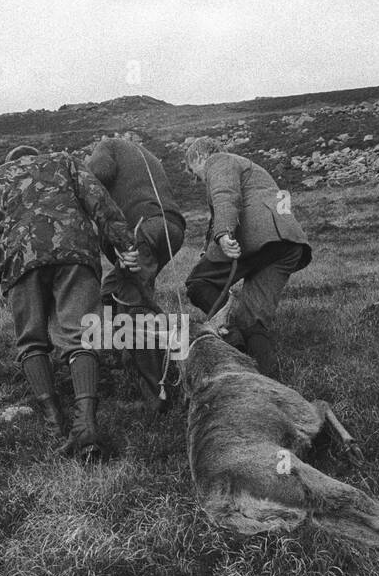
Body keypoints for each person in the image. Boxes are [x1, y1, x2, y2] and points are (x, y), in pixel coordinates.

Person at [0, 145, 138, 459]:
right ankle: (86, 424)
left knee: (31, 341)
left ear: (11, 163)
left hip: (20, 261)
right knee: (80, 336)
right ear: (36, 155)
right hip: (74, 254)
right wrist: (125, 243)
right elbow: (99, 199)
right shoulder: (65, 161)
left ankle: (53, 421)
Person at [182, 136, 311, 378]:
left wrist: (223, 233)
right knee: (252, 317)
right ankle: (268, 379)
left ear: (199, 157)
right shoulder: (249, 166)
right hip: (287, 244)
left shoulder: (218, 161)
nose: (196, 178)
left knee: (198, 283)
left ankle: (232, 342)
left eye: (193, 171)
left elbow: (225, 194)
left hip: (257, 237)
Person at [84, 137, 185, 403]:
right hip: (171, 229)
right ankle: (124, 357)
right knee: (113, 290)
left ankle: (158, 393)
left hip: (143, 228)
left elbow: (99, 173)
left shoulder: (108, 145)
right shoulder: (146, 154)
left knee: (133, 302)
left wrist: (79, 183)